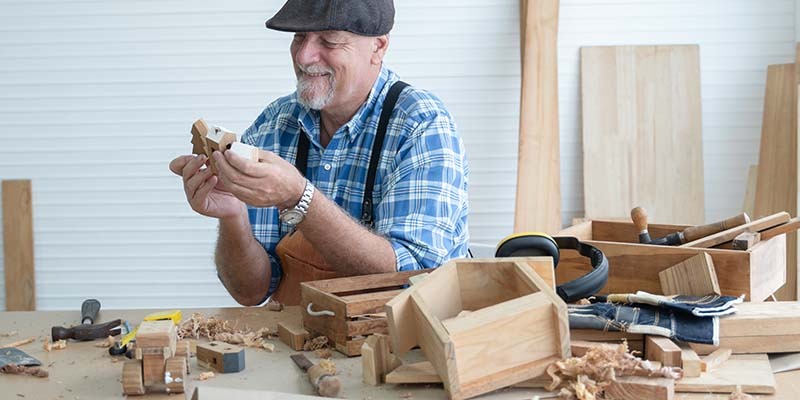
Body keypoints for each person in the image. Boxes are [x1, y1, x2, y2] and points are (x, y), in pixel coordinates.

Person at [169, 0, 469, 306]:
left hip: (401, 345)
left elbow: (414, 280)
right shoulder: (274, 125)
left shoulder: (421, 125)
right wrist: (233, 215)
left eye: (328, 40)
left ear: (378, 47)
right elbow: (251, 291)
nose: (303, 56)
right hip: (300, 344)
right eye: (299, 37)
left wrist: (299, 198)